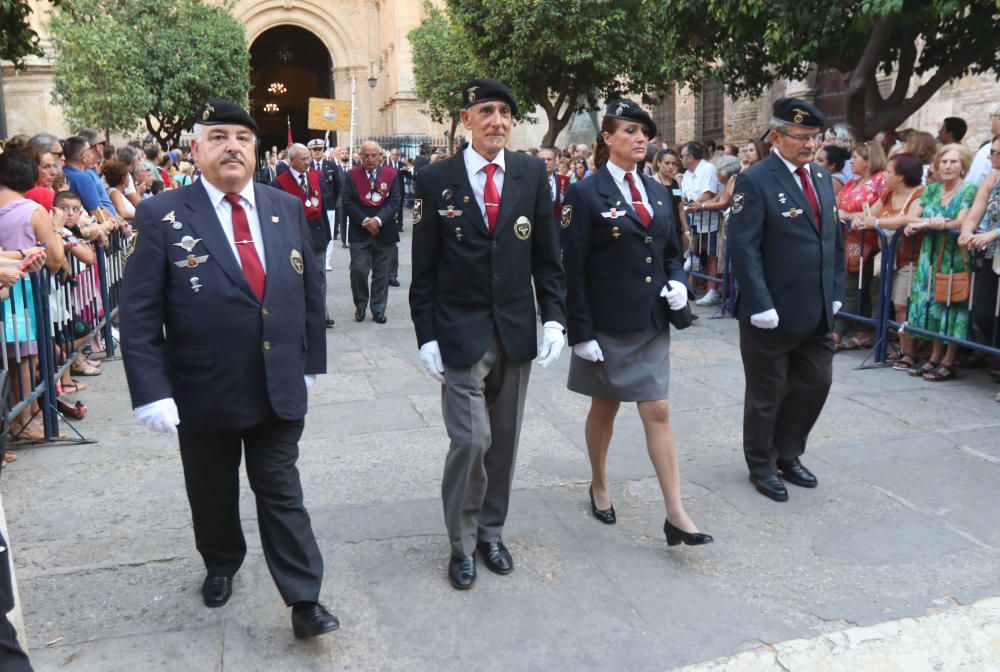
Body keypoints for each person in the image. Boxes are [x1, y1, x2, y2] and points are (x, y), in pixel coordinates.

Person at [118, 98, 338, 639]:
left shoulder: (283, 205)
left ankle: (305, 598)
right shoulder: (163, 213)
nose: (232, 146)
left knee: (281, 489)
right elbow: (140, 309)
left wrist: (310, 361)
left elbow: (310, 287)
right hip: (203, 386)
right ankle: (221, 561)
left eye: (241, 137)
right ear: (196, 149)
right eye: (218, 137)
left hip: (277, 383)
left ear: (256, 150)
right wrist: (150, 390)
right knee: (212, 488)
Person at [409, 78, 565, 590]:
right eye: (486, 111)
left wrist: (556, 319)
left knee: (505, 440)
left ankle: (490, 532)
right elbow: (424, 268)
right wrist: (425, 334)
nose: (497, 120)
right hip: (460, 331)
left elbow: (547, 256)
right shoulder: (438, 180)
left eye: (504, 112)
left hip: (516, 327)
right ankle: (461, 540)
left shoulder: (528, 173)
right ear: (467, 118)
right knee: (472, 440)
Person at [562, 99, 711, 546]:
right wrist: (580, 332)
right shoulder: (585, 193)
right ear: (607, 139)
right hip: (606, 323)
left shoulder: (659, 190)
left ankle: (676, 513)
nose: (641, 138)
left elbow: (669, 250)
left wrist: (679, 282)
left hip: (649, 320)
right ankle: (599, 482)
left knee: (657, 409)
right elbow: (573, 267)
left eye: (644, 131)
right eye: (629, 131)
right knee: (604, 408)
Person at [728, 97, 845, 502]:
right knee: (768, 391)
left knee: (815, 382)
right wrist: (758, 303)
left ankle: (788, 452)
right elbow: (744, 248)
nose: (810, 144)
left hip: (815, 309)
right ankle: (761, 463)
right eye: (801, 137)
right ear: (776, 137)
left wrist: (836, 292)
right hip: (772, 312)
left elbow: (833, 239)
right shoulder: (756, 180)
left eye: (815, 137)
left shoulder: (822, 178)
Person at [901, 144, 978, 382]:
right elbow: (911, 216)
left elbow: (961, 221)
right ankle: (934, 356)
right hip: (929, 255)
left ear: (963, 166)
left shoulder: (969, 190)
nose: (947, 166)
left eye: (954, 162)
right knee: (930, 303)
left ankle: (948, 360)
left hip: (954, 256)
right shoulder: (931, 190)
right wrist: (926, 223)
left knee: (952, 304)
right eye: (944, 161)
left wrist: (938, 224)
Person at [851, 152, 925, 370]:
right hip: (888, 257)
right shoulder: (887, 193)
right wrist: (858, 219)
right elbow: (870, 214)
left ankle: (910, 353)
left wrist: (877, 222)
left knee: (901, 305)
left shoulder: (920, 193)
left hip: (911, 258)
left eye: (889, 171)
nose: (884, 175)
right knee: (891, 302)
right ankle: (902, 349)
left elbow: (911, 218)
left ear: (901, 176)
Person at [958, 135, 1000, 399]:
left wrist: (993, 233)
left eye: (995, 152)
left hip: (993, 243)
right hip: (991, 255)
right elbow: (977, 209)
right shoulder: (992, 178)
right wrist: (966, 229)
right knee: (983, 312)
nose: (990, 157)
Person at [834, 140, 887, 350]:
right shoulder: (851, 182)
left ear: (868, 160)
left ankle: (838, 331)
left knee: (852, 282)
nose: (851, 161)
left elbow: (881, 209)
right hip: (848, 238)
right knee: (853, 282)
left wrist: (849, 215)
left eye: (855, 157)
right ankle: (860, 330)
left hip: (868, 241)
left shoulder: (880, 181)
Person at [276, 143, 334, 328]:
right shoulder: (279, 183)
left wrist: (327, 234)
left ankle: (320, 313)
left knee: (319, 276)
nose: (308, 162)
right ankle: (298, 312)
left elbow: (324, 206)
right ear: (291, 160)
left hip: (316, 234)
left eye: (308, 158)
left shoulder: (316, 178)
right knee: (295, 276)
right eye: (303, 159)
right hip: (293, 235)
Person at [343, 140, 401, 323]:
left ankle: (378, 309)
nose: (370, 159)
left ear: (380, 156)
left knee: (382, 273)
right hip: (360, 230)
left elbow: (395, 201)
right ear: (360, 157)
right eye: (366, 156)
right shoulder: (352, 175)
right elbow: (347, 201)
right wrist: (365, 220)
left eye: (373, 155)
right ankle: (360, 305)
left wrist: (378, 220)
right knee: (359, 270)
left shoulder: (391, 174)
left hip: (384, 230)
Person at [680, 142, 722, 305]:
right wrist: (686, 203)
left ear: (690, 157)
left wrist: (693, 205)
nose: (680, 159)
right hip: (694, 219)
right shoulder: (687, 173)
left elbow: (708, 193)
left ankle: (712, 290)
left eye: (682, 156)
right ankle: (691, 288)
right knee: (694, 252)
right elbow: (685, 194)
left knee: (712, 255)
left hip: (709, 218)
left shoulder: (708, 169)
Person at [539, 146, 570, 233]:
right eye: (542, 159)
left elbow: (567, 206)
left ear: (555, 161)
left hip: (557, 229)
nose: (545, 162)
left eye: (549, 159)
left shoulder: (564, 180)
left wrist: (565, 228)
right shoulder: (531, 181)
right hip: (538, 229)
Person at [967, 106, 1000, 187]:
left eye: (994, 117)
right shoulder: (988, 147)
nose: (992, 121)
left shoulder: (988, 149)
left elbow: (974, 183)